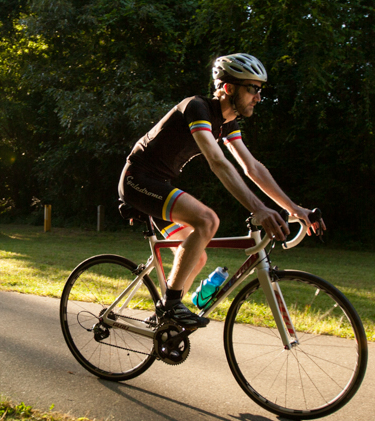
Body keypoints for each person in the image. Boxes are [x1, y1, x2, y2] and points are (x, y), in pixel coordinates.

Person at [118, 53, 324, 329]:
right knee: (208, 220)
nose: (258, 97)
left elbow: (252, 167)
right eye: (252, 88)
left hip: (160, 185)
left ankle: (162, 318)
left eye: (260, 90)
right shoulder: (197, 108)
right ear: (228, 88)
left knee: (197, 255)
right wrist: (258, 208)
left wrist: (293, 208)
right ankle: (171, 306)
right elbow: (218, 162)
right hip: (138, 179)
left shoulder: (227, 123)